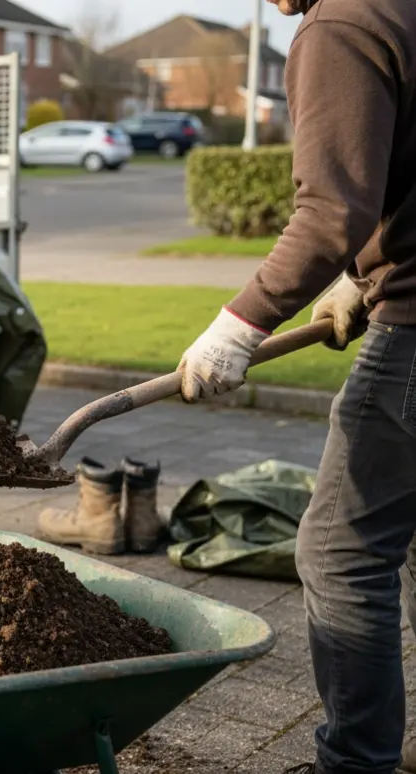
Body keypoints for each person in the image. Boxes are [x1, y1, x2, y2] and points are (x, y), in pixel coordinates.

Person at [174, 1, 415, 772]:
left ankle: (355, 763)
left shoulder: (342, 24)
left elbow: (328, 212)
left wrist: (237, 328)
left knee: (340, 553)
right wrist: (358, 277)